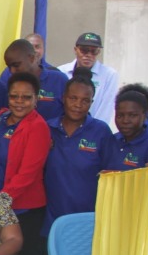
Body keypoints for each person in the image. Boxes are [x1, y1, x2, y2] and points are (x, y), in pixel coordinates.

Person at [0, 72, 51, 255]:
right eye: (14, 96)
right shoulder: (0, 118)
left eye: (26, 97)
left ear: (36, 99)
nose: (19, 102)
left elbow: (27, 174)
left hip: (23, 209)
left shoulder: (38, 127)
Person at [43, 75, 114, 236]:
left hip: (87, 220)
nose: (78, 105)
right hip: (51, 220)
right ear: (63, 98)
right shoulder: (47, 128)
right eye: (73, 98)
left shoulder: (101, 131)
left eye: (85, 100)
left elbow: (109, 175)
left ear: (91, 103)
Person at [58, 33, 119, 131]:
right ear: (75, 50)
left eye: (93, 51)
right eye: (84, 50)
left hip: (93, 130)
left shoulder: (109, 75)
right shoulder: (61, 71)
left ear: (98, 52)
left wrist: (94, 131)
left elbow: (106, 108)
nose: (88, 55)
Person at [104, 84, 148, 170]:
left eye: (132, 115)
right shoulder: (111, 141)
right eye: (120, 116)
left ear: (144, 115)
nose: (125, 121)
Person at [2, 39, 67, 120]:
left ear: (31, 58)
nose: (12, 71)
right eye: (9, 67)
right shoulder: (7, 79)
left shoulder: (59, 80)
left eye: (16, 65)